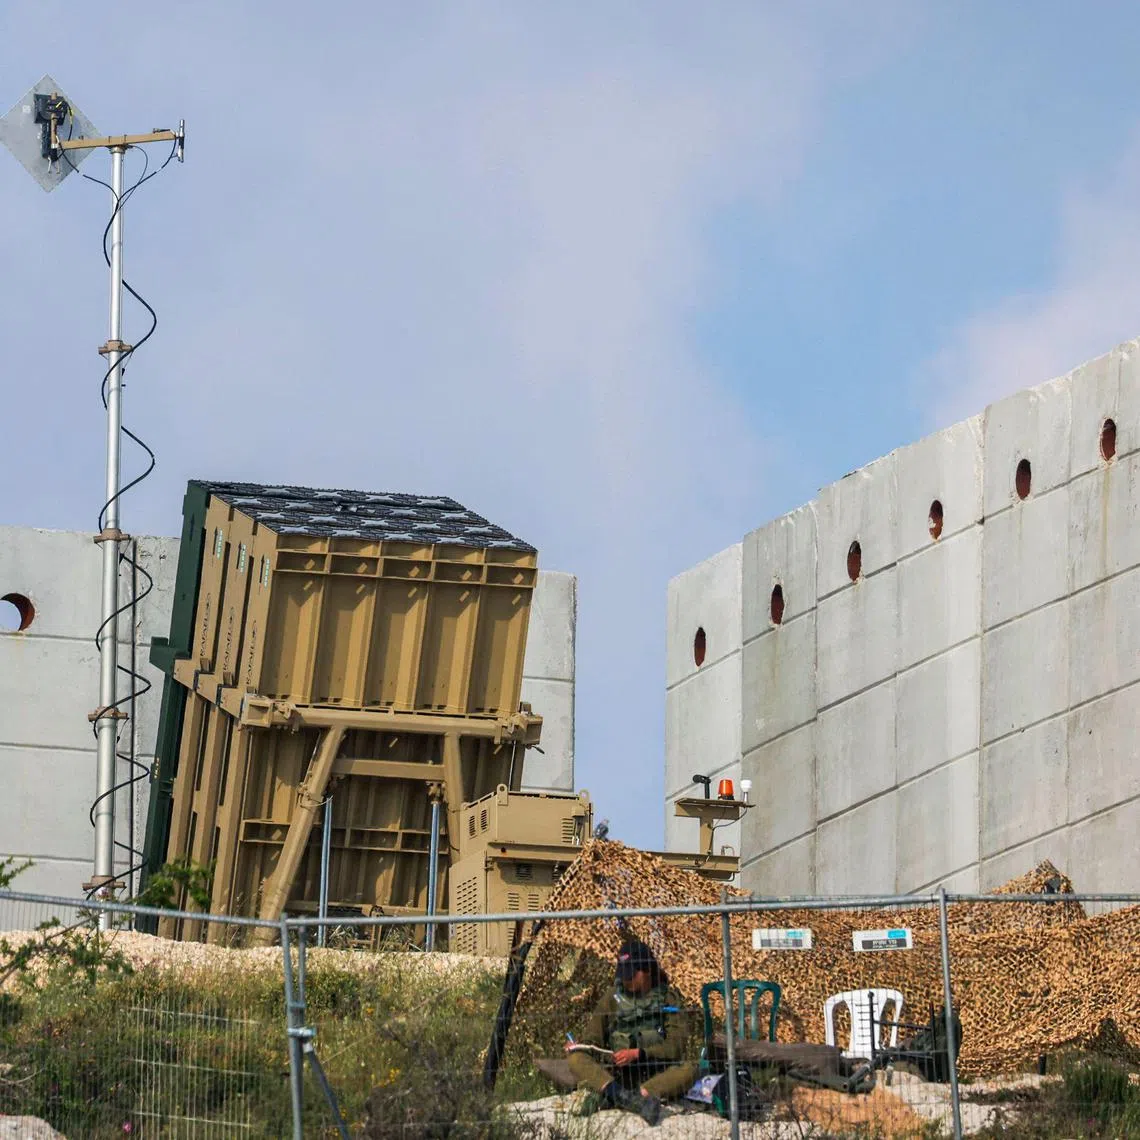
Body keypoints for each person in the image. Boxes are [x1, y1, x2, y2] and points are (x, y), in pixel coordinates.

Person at [564, 937, 699, 1125]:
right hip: (617, 1076)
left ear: (647, 970)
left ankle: (631, 1095)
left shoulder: (668, 999)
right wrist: (578, 1045)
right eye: (624, 974)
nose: (626, 980)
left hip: (655, 1074)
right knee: (576, 1058)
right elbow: (592, 1038)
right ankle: (627, 1099)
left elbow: (676, 1046)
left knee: (691, 1068)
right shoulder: (611, 998)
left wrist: (639, 1054)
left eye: (632, 975)